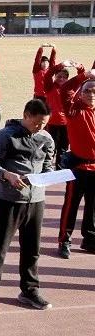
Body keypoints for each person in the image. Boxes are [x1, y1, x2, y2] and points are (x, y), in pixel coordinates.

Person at [0, 99, 54, 311]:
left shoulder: (46, 138)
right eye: (37, 123)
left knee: (32, 249)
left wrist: (49, 176)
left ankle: (29, 290)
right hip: (9, 200)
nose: (40, 127)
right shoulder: (5, 136)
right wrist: (7, 175)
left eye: (44, 123)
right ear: (26, 115)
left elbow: (48, 165)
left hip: (36, 201)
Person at [57, 67, 95, 258]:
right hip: (77, 167)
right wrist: (84, 75)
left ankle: (90, 239)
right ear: (81, 93)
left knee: (93, 207)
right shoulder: (73, 109)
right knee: (71, 205)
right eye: (87, 90)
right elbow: (65, 90)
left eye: (94, 90)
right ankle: (64, 240)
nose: (91, 94)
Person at [43, 59, 83, 169]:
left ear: (67, 79)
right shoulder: (50, 87)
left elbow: (81, 77)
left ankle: (59, 170)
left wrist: (79, 67)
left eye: (64, 77)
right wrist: (60, 65)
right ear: (55, 77)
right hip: (52, 123)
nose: (61, 79)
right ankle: (47, 169)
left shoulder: (71, 88)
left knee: (63, 148)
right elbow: (48, 74)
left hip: (67, 124)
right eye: (59, 76)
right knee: (50, 148)